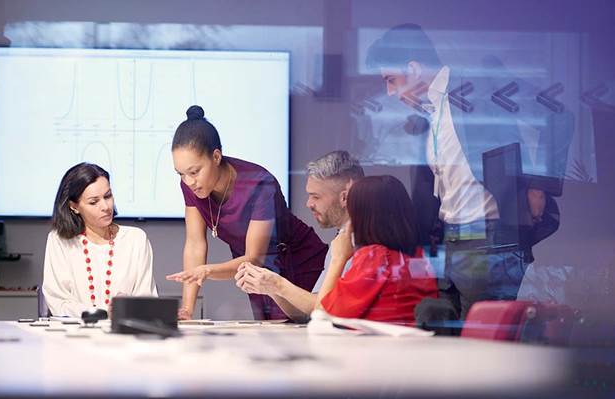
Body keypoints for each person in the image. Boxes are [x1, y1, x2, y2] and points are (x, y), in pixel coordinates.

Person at [367, 24, 561, 319]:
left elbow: (556, 114)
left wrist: (538, 186)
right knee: (448, 335)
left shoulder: (478, 88)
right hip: (451, 240)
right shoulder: (428, 113)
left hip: (489, 236)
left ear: (414, 69)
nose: (390, 92)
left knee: (480, 336)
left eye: (391, 80)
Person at [166, 105, 328, 320]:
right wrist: (187, 308)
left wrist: (207, 271)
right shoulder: (190, 185)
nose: (189, 182)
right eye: (181, 174)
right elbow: (195, 243)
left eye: (194, 172)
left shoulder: (258, 183)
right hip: (255, 272)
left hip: (297, 261)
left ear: (216, 157)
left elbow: (254, 257)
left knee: (307, 331)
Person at [234, 150, 364, 322]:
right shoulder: (340, 242)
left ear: (344, 197)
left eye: (316, 196)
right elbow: (309, 312)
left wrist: (278, 284)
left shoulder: (364, 243)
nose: (309, 203)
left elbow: (322, 310)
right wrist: (270, 288)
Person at [316, 175, 438, 323]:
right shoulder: (418, 257)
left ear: (361, 218)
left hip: (379, 344)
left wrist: (338, 259)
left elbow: (321, 315)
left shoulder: (375, 258)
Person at [43, 162, 157, 317]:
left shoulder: (135, 239)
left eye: (108, 196)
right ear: (74, 207)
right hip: (75, 336)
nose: (105, 206)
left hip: (125, 336)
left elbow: (147, 298)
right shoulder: (59, 241)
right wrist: (100, 313)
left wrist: (129, 307)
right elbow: (58, 302)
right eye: (93, 202)